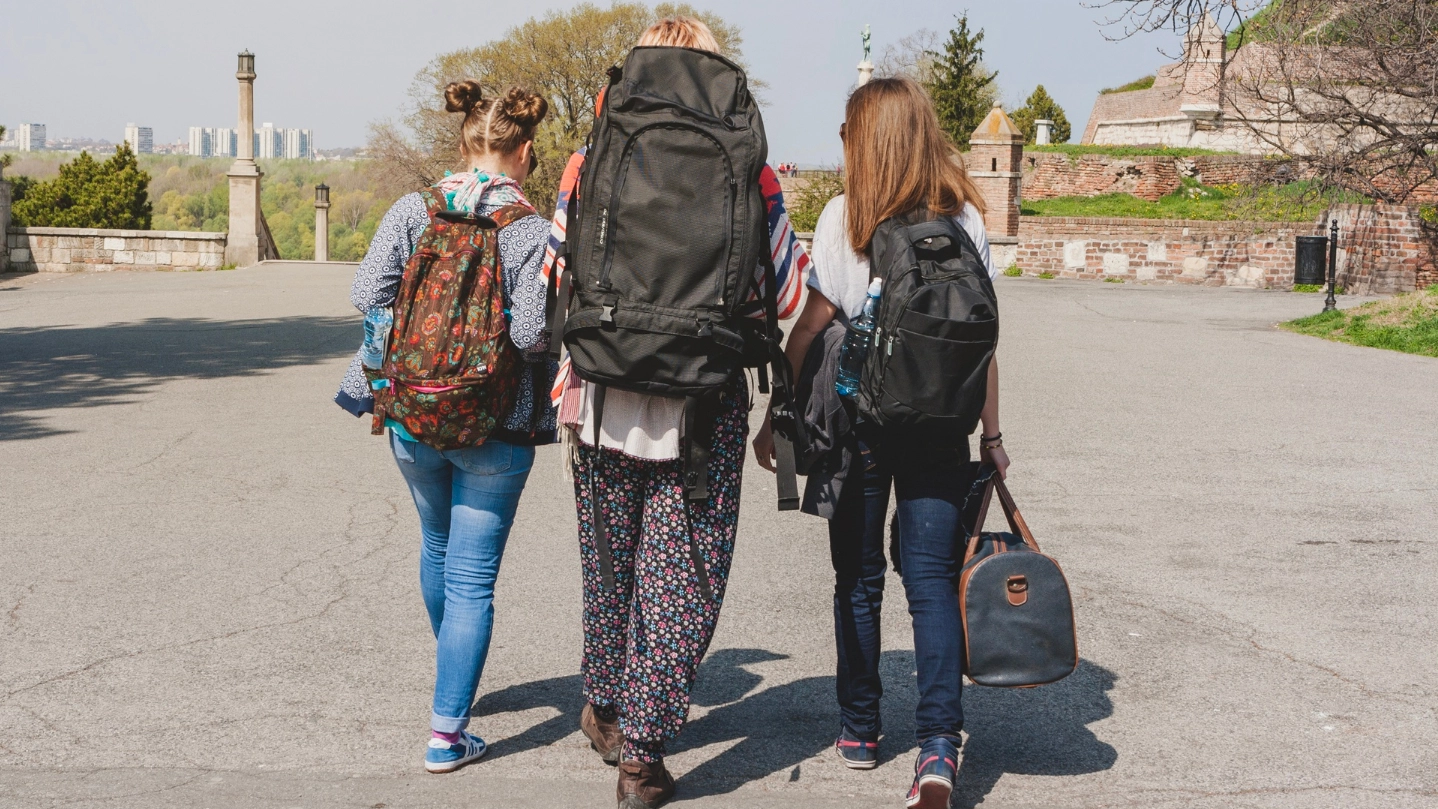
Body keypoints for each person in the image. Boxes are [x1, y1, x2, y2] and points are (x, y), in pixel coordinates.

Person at [546, 16, 809, 809]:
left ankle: (606, 705)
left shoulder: (593, 152)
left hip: (600, 384)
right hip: (705, 398)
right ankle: (643, 757)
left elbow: (560, 261)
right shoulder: (748, 163)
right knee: (681, 572)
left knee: (610, 560)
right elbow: (788, 289)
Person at [753, 77, 1010, 809]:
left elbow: (807, 329)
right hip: (941, 428)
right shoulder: (966, 219)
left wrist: (777, 413)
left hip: (859, 424)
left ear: (863, 141)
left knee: (858, 579)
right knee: (931, 584)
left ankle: (862, 728)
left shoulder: (846, 218)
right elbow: (984, 345)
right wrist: (992, 436)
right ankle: (937, 746)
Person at [334, 81, 557, 774]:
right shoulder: (531, 230)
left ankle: (453, 687)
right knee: (473, 580)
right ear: (524, 151)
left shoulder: (414, 209)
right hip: (496, 422)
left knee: (436, 545)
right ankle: (445, 731)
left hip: (412, 415)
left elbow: (364, 292)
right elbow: (528, 333)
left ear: (464, 143)